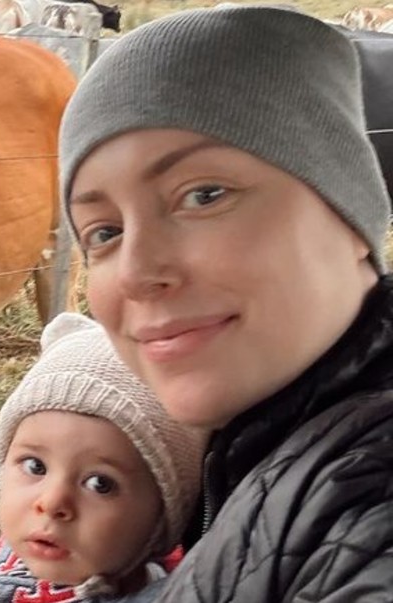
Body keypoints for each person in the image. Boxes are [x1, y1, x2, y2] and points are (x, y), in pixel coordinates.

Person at [59, 6, 393, 601]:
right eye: (103, 233)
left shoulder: (368, 504)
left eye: (204, 195)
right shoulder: (250, 454)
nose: (136, 273)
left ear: (350, 217)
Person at [0, 312, 206, 602]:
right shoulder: (22, 551)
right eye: (35, 466)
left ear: (161, 521)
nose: (50, 502)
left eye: (100, 484)